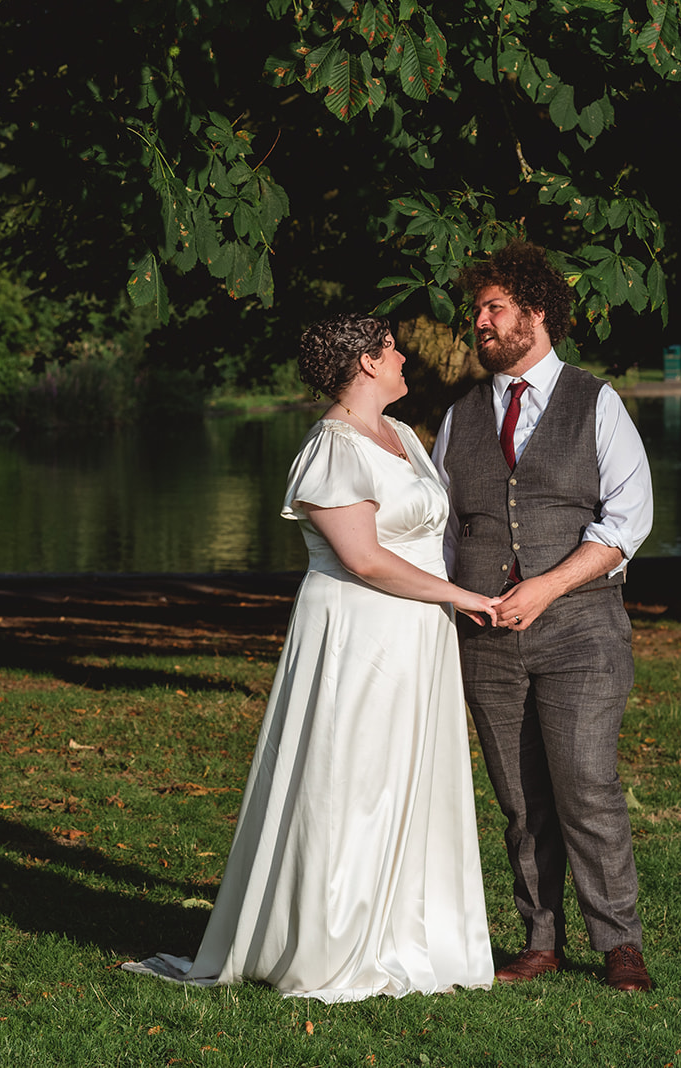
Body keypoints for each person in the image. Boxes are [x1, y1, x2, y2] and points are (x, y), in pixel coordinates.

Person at [124, 313, 498, 1002]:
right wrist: (461, 595)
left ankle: (406, 931)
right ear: (363, 363)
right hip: (360, 634)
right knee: (350, 779)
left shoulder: (404, 438)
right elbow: (363, 559)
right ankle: (331, 939)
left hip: (418, 633)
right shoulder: (332, 448)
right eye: (391, 349)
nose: (403, 355)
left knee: (409, 774)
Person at [430, 241, 656, 992]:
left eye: (494, 308)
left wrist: (548, 587)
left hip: (581, 631)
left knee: (585, 781)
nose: (480, 322)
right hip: (487, 640)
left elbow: (628, 522)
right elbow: (441, 530)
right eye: (478, 310)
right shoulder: (459, 416)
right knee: (520, 798)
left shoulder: (598, 402)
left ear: (535, 315)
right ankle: (540, 937)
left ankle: (619, 942)